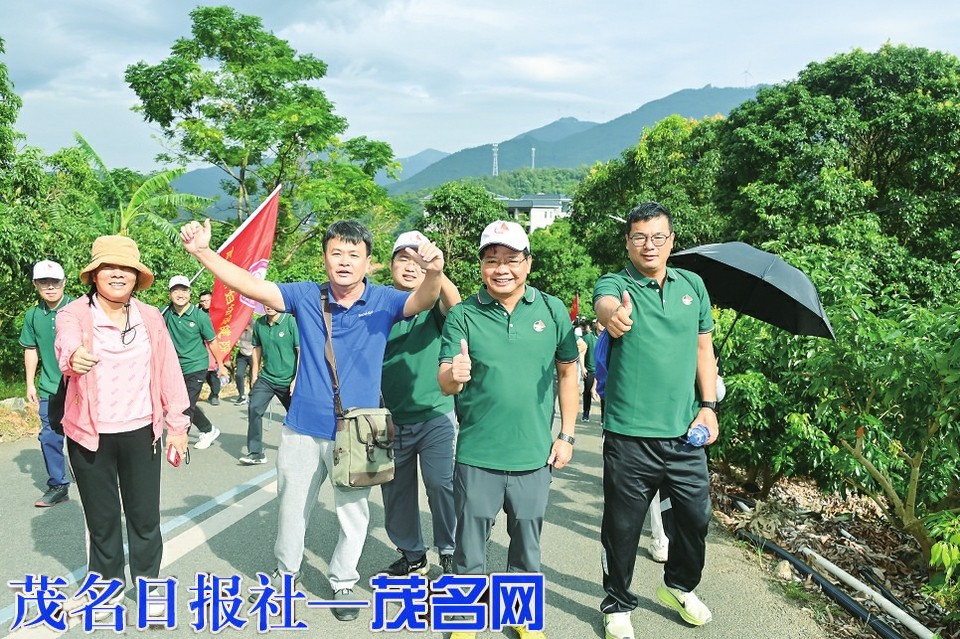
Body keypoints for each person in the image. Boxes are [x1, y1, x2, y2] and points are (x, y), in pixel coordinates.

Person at [179, 217, 444, 622]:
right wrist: (202, 252)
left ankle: (343, 580)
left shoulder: (385, 301)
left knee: (353, 513)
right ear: (324, 258)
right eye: (336, 253)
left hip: (360, 432)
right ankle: (286, 575)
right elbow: (250, 285)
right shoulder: (305, 295)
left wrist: (435, 272)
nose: (344, 261)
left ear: (368, 262)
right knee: (291, 507)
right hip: (302, 426)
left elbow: (424, 299)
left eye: (353, 254)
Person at [439, 220, 579, 639]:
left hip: (533, 455)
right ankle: (464, 617)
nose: (502, 269)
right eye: (492, 260)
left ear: (528, 263)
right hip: (477, 454)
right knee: (469, 545)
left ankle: (520, 615)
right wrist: (454, 375)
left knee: (526, 544)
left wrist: (567, 435)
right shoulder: (463, 314)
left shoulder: (551, 310)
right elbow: (445, 379)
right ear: (481, 266)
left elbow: (568, 373)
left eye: (512, 260)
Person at [594, 202, 718, 639]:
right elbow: (605, 305)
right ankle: (617, 603)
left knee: (696, 518)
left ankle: (679, 586)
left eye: (658, 237)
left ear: (671, 241)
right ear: (628, 242)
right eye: (640, 237)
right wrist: (614, 316)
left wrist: (709, 405)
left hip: (685, 434)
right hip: (629, 436)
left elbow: (703, 349)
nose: (650, 245)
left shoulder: (693, 286)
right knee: (622, 527)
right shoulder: (616, 282)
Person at [54, 235, 190, 613]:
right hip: (89, 434)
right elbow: (66, 342)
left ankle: (148, 588)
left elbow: (169, 371)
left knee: (144, 518)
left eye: (126, 268)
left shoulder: (151, 317)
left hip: (142, 432)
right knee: (102, 520)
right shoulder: (74, 313)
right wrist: (74, 357)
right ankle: (106, 586)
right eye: (109, 267)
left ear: (136, 276)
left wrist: (178, 426)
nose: (118, 274)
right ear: (95, 274)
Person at [379, 231, 461, 577]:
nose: (411, 267)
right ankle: (413, 554)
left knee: (441, 484)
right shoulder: (379, 304)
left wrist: (436, 271)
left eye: (418, 262)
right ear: (391, 265)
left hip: (435, 416)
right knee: (395, 491)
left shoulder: (433, 306)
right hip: (388, 419)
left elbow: (455, 306)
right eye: (404, 259)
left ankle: (450, 550)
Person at [20, 260, 72, 507]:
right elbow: (31, 349)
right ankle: (58, 485)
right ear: (35, 285)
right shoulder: (33, 315)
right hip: (50, 386)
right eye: (44, 282)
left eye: (55, 282)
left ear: (64, 282)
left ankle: (101, 477)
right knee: (49, 436)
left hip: (80, 387)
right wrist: (30, 383)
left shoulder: (79, 308)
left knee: (89, 435)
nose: (50, 287)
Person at [164, 276, 221, 450]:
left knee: (186, 405)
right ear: (170, 294)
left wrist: (221, 365)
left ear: (189, 293)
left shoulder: (199, 316)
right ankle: (208, 429)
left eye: (184, 290)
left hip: (196, 365)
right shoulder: (165, 313)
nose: (180, 294)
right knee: (179, 404)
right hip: (175, 367)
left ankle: (179, 440)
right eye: (175, 290)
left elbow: (212, 341)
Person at [239, 306, 299, 465]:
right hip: (267, 378)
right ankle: (256, 453)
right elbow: (256, 348)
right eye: (265, 303)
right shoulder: (260, 323)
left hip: (289, 379)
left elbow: (300, 351)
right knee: (254, 408)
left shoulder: (290, 322)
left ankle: (305, 449)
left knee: (298, 416)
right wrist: (254, 374)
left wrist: (296, 379)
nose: (269, 306)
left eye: (272, 303)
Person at [197, 290, 222, 405]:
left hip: (218, 344)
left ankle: (215, 394)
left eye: (207, 300)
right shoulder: (198, 313)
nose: (205, 303)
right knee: (205, 371)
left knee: (213, 372)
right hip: (203, 345)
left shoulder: (219, 313)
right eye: (202, 301)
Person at [578, 318, 598, 422]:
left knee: (604, 393)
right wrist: (582, 367)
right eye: (597, 323)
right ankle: (586, 413)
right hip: (590, 369)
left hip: (603, 370)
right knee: (587, 392)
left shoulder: (607, 337)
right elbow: (582, 352)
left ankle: (604, 417)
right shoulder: (588, 337)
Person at [233, 319, 254, 405]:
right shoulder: (239, 322)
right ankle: (241, 396)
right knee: (239, 374)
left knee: (252, 375)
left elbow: (258, 338)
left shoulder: (255, 324)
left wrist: (249, 329)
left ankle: (252, 396)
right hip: (242, 354)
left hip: (253, 353)